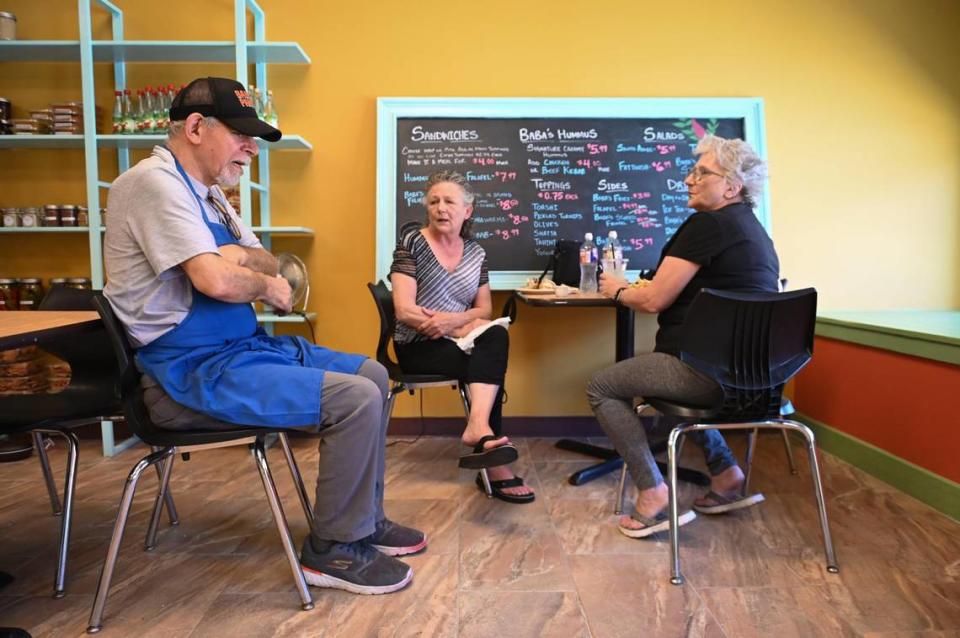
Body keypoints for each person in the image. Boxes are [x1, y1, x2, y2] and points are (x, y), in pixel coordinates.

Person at [103, 76, 422, 595]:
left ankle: (362, 518)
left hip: (238, 353)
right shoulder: (151, 185)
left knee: (374, 372)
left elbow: (267, 261)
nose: (252, 147)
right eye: (242, 134)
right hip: (184, 376)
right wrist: (248, 277)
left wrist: (237, 262)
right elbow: (218, 280)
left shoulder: (213, 198)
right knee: (356, 398)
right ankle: (333, 551)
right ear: (195, 127)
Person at [587, 134, 779, 538]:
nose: (689, 180)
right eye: (692, 171)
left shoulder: (708, 224)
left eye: (702, 172)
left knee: (603, 386)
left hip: (706, 375)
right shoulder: (752, 229)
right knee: (666, 378)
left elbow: (655, 298)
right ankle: (726, 473)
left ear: (732, 186)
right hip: (759, 382)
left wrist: (617, 290)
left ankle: (653, 493)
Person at [390, 171, 534, 504]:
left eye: (449, 201)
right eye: (434, 201)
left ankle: (479, 427)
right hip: (418, 345)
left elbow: (484, 309)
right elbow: (404, 310)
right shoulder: (412, 243)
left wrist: (453, 322)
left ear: (467, 211)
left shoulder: (476, 253)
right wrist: (450, 326)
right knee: (487, 364)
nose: (441, 208)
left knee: (496, 336)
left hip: (456, 338)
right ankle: (494, 466)